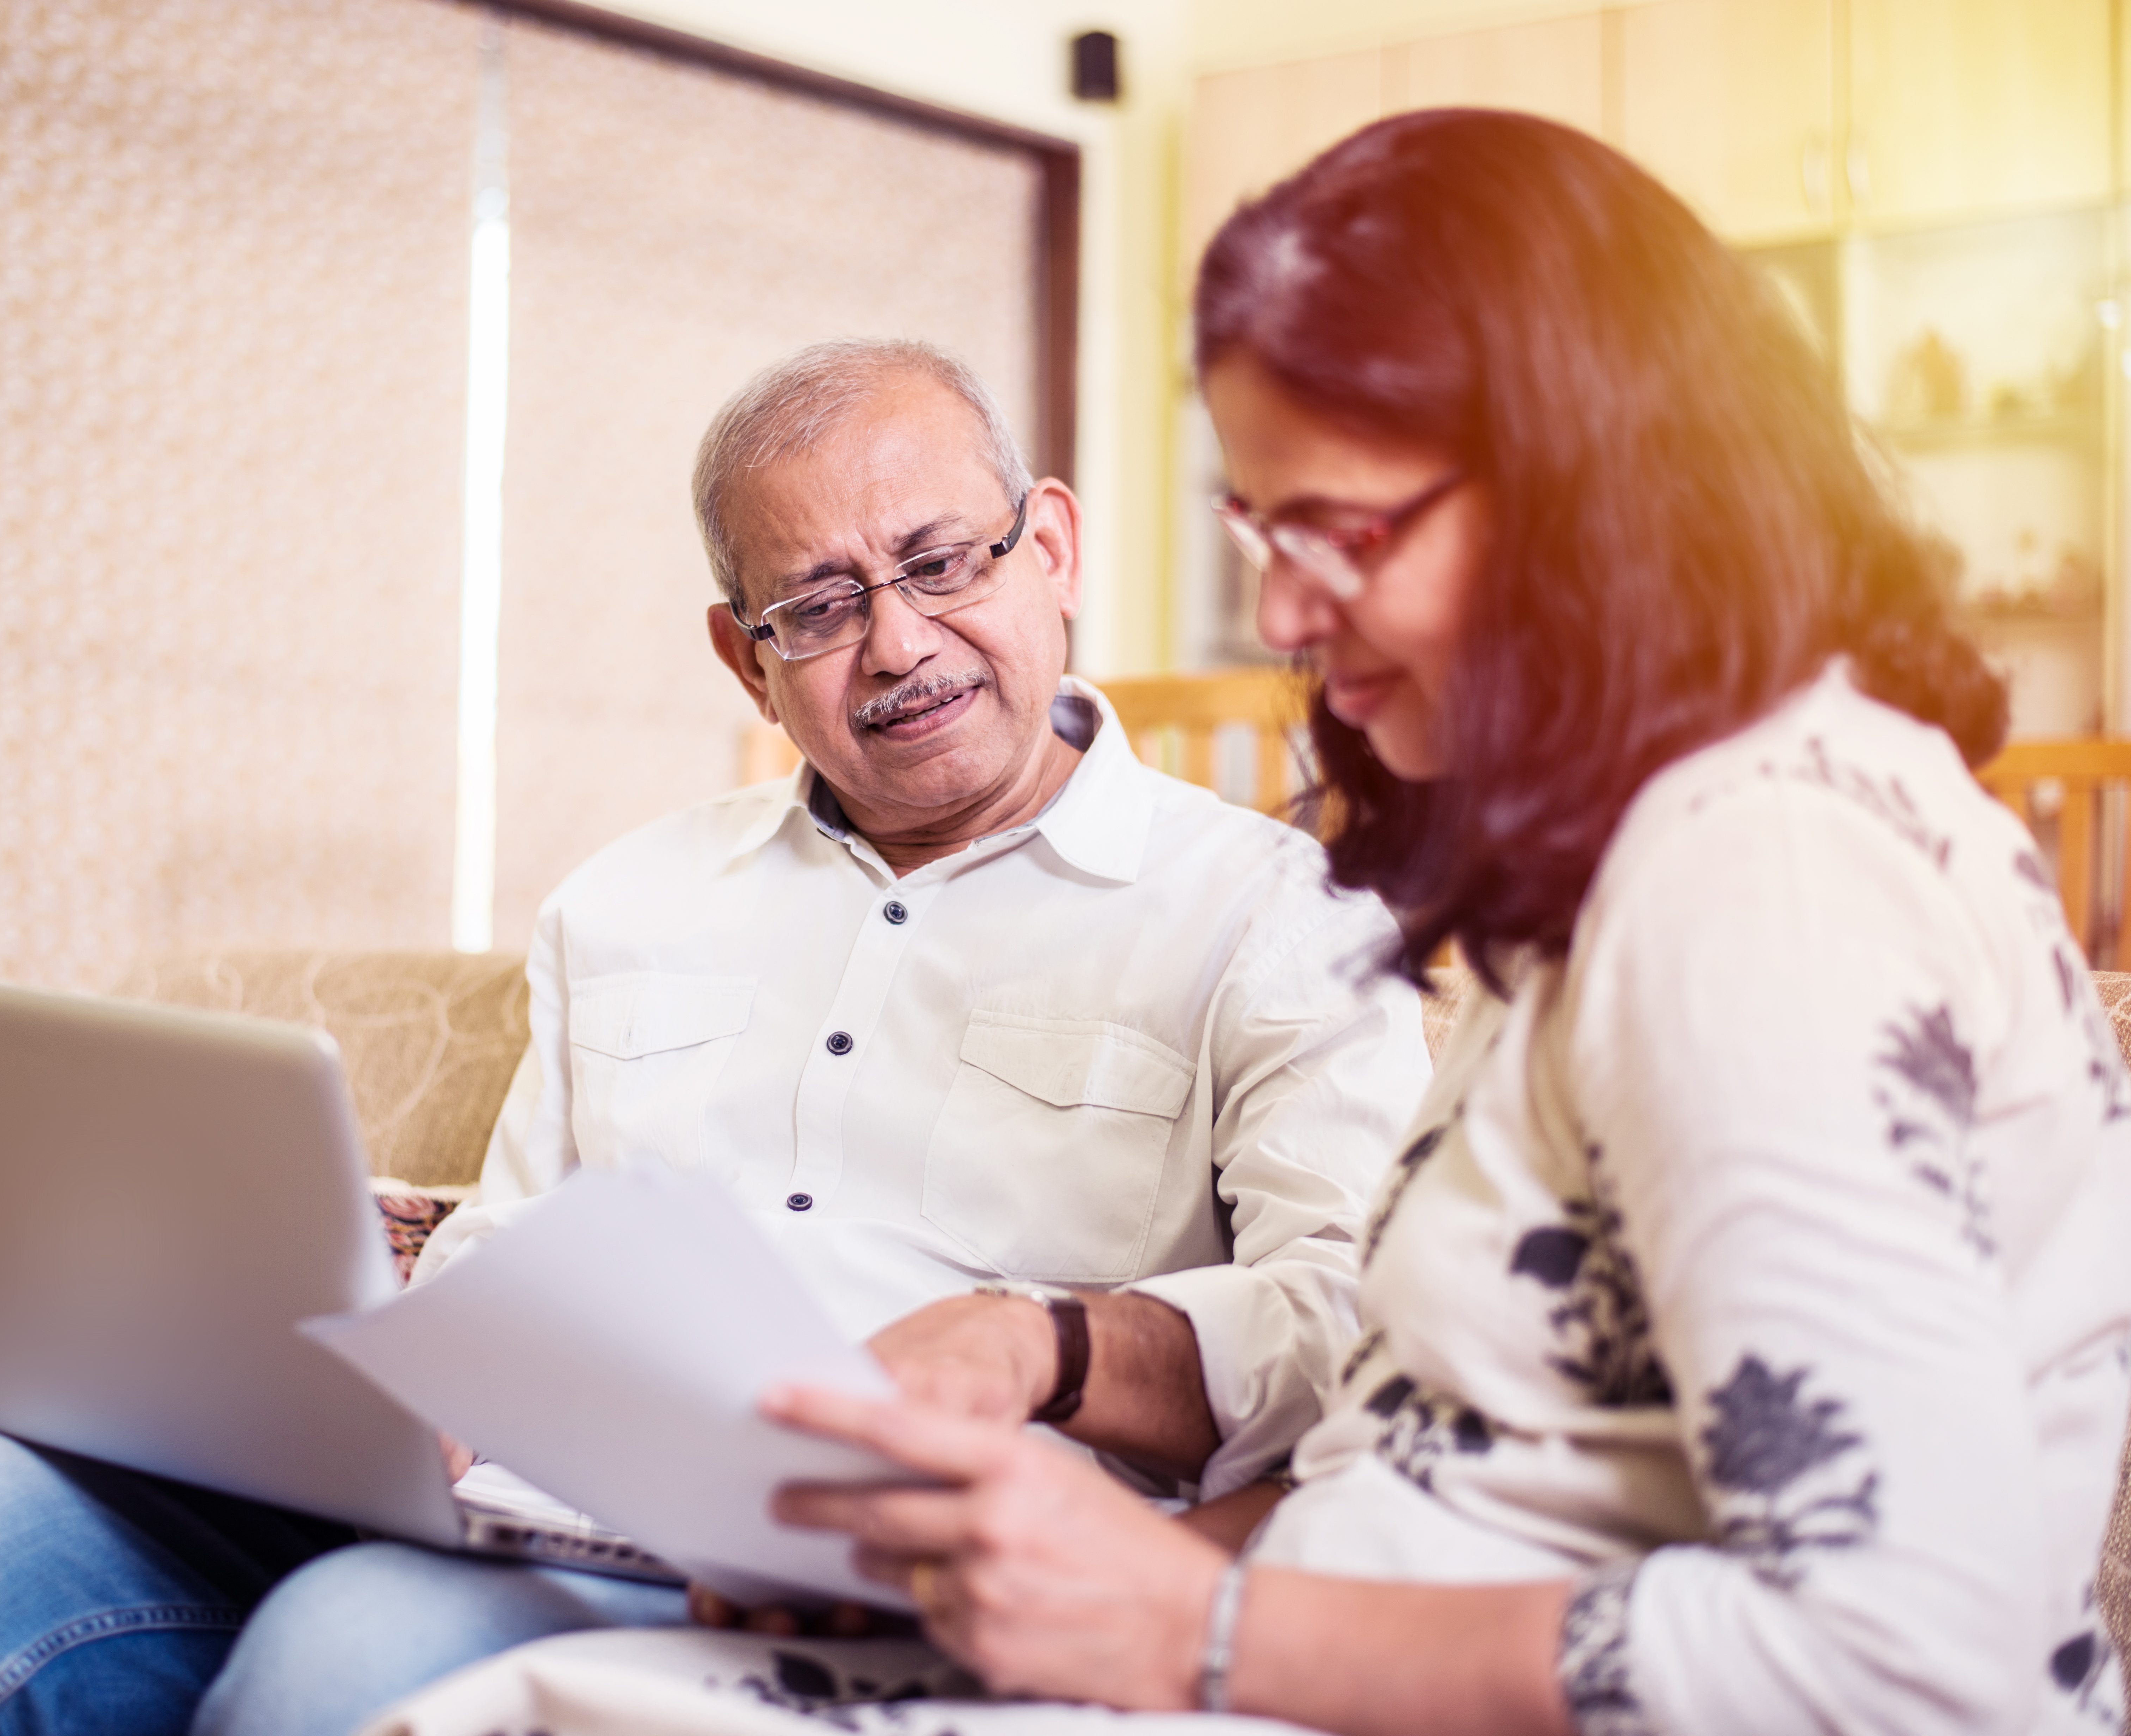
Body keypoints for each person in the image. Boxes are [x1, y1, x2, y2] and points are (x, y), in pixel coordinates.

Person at [383, 108, 2131, 1736]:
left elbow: (1909, 1660)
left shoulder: (1765, 881)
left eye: (1342, 529)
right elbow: (1458, 1471)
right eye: (1263, 527)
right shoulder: (1670, 854)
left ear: (1600, 482)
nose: (1282, 610)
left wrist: (1188, 1627)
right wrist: (1065, 1551)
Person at [0, 339, 1433, 1735]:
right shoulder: (627, 896)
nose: (899, 643)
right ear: (743, 659)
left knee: (353, 1647)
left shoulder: (1277, 910)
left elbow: (1366, 1334)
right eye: (817, 605)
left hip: (889, 1569)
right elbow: (512, 1239)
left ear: (1048, 547)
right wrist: (417, 1378)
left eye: (941, 563)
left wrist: (1044, 1337)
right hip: (534, 1499)